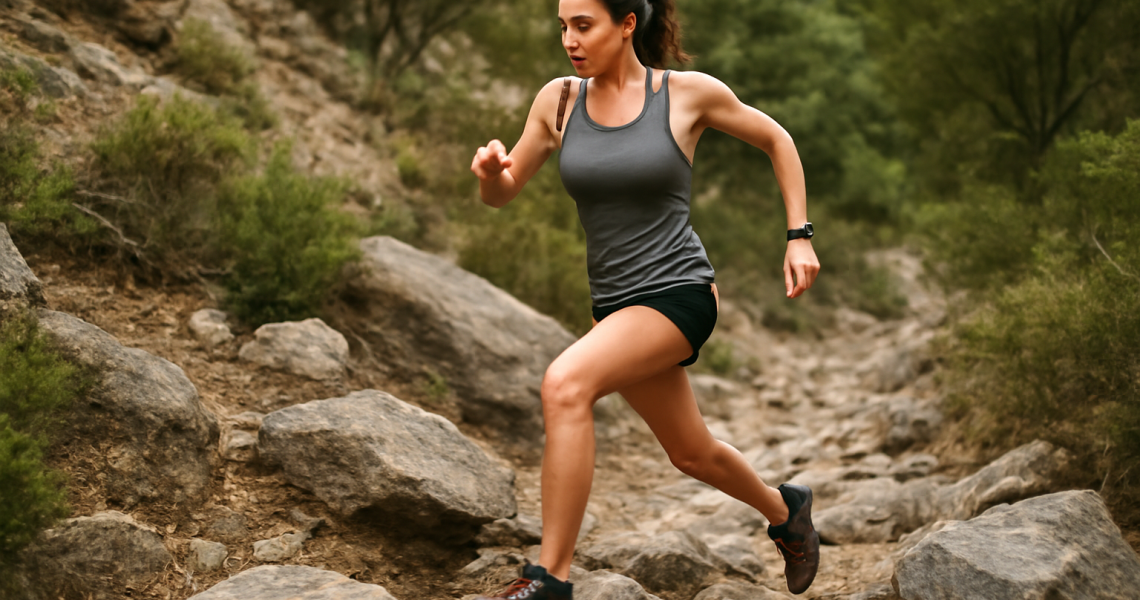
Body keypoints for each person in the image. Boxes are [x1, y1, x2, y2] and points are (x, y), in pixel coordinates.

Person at [469, 0, 821, 597]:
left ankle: (549, 579)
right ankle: (787, 513)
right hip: (614, 306)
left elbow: (776, 139)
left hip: (679, 292)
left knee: (565, 385)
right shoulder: (558, 101)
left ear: (627, 23)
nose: (570, 40)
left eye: (584, 26)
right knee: (691, 453)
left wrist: (799, 236)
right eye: (563, 27)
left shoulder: (684, 94)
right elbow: (504, 192)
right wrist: (489, 175)